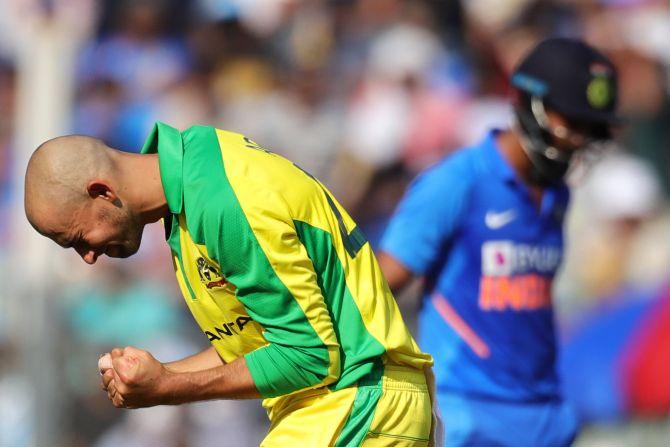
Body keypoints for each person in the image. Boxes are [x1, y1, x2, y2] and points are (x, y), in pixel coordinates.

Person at [24, 122, 439, 446]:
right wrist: (156, 379)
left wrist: (170, 387)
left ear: (102, 192)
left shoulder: (222, 201)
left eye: (78, 239)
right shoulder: (193, 183)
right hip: (350, 406)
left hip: (359, 401)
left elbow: (310, 357)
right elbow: (268, 345)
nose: (88, 257)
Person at [378, 37, 619, 447]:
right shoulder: (457, 183)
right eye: (572, 124)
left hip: (546, 413)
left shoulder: (558, 193)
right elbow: (377, 286)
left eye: (591, 129)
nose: (579, 140)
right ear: (528, 103)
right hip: (468, 413)